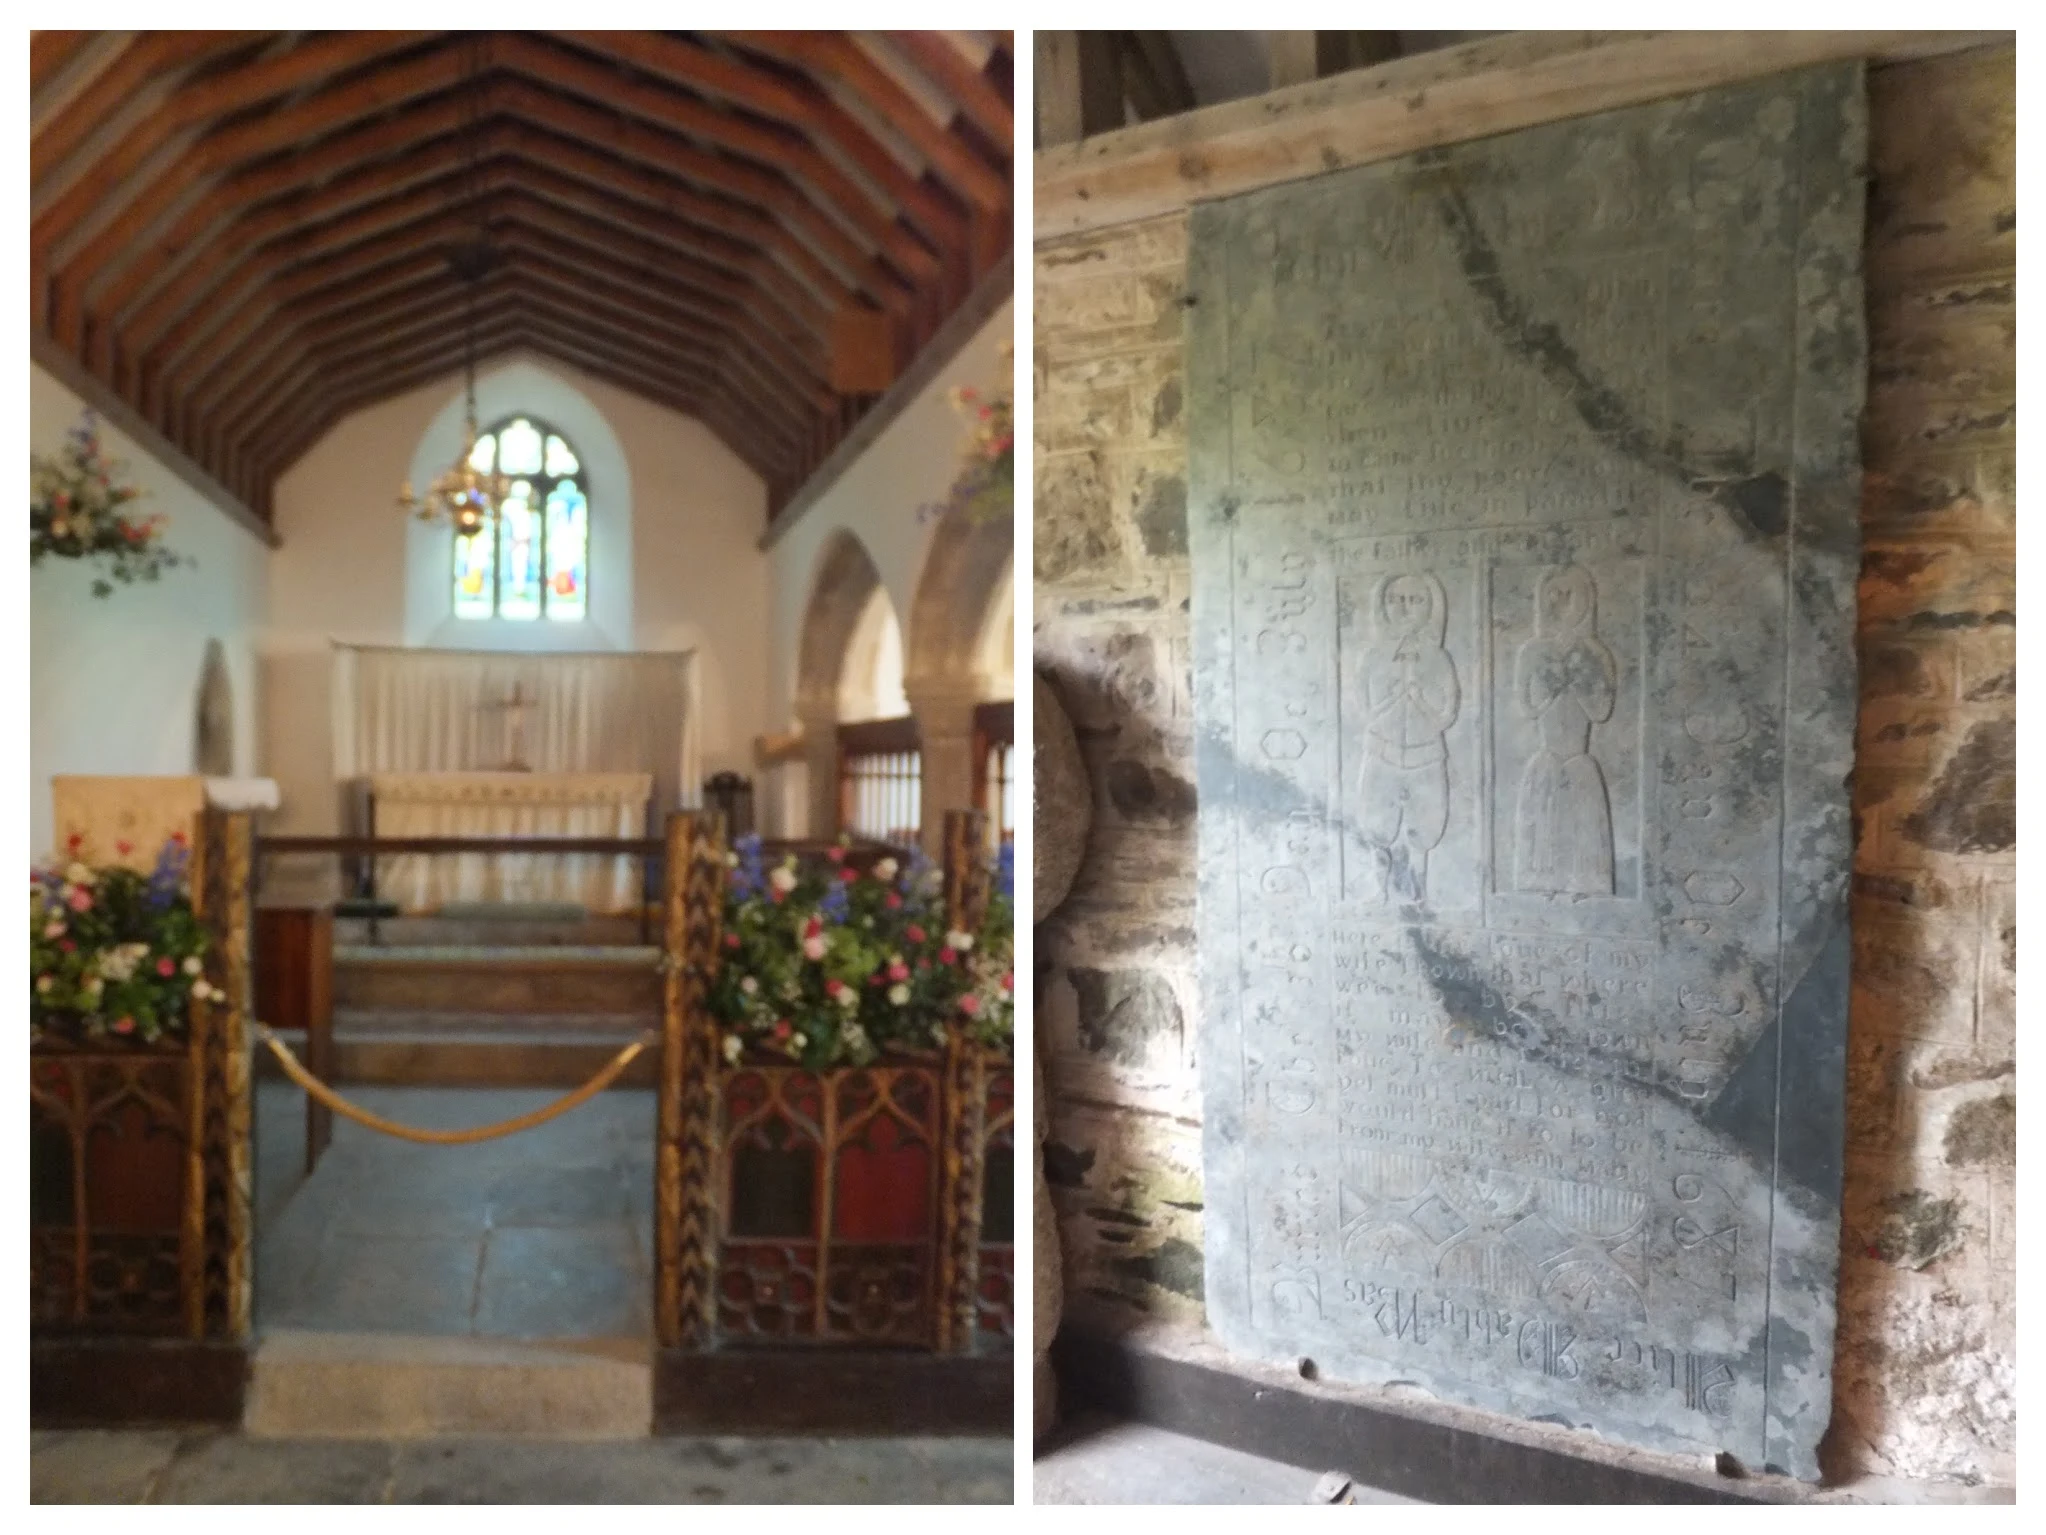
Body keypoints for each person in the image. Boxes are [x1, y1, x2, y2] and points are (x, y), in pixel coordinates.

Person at [1514, 564, 1617, 896]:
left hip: (1578, 756)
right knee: (1542, 832)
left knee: (1581, 832)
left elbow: (1601, 712)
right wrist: (1554, 690)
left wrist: (1577, 684)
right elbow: (1526, 709)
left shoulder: (1594, 652)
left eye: (1568, 594)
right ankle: (1542, 889)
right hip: (1547, 755)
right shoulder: (1532, 651)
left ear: (1584, 600)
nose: (1560, 602)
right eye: (1553, 595)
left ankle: (1582, 889)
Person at [1357, 572, 1459, 902]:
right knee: (1376, 825)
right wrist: (1393, 697)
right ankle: (1378, 890)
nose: (1404, 609)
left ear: (1430, 607)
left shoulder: (1438, 658)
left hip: (1426, 754)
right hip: (1381, 752)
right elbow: (1366, 712)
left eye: (1415, 601)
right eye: (1396, 601)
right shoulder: (1373, 658)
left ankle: (1420, 894)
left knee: (1426, 827)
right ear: (1384, 607)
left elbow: (1447, 715)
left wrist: (1418, 698)